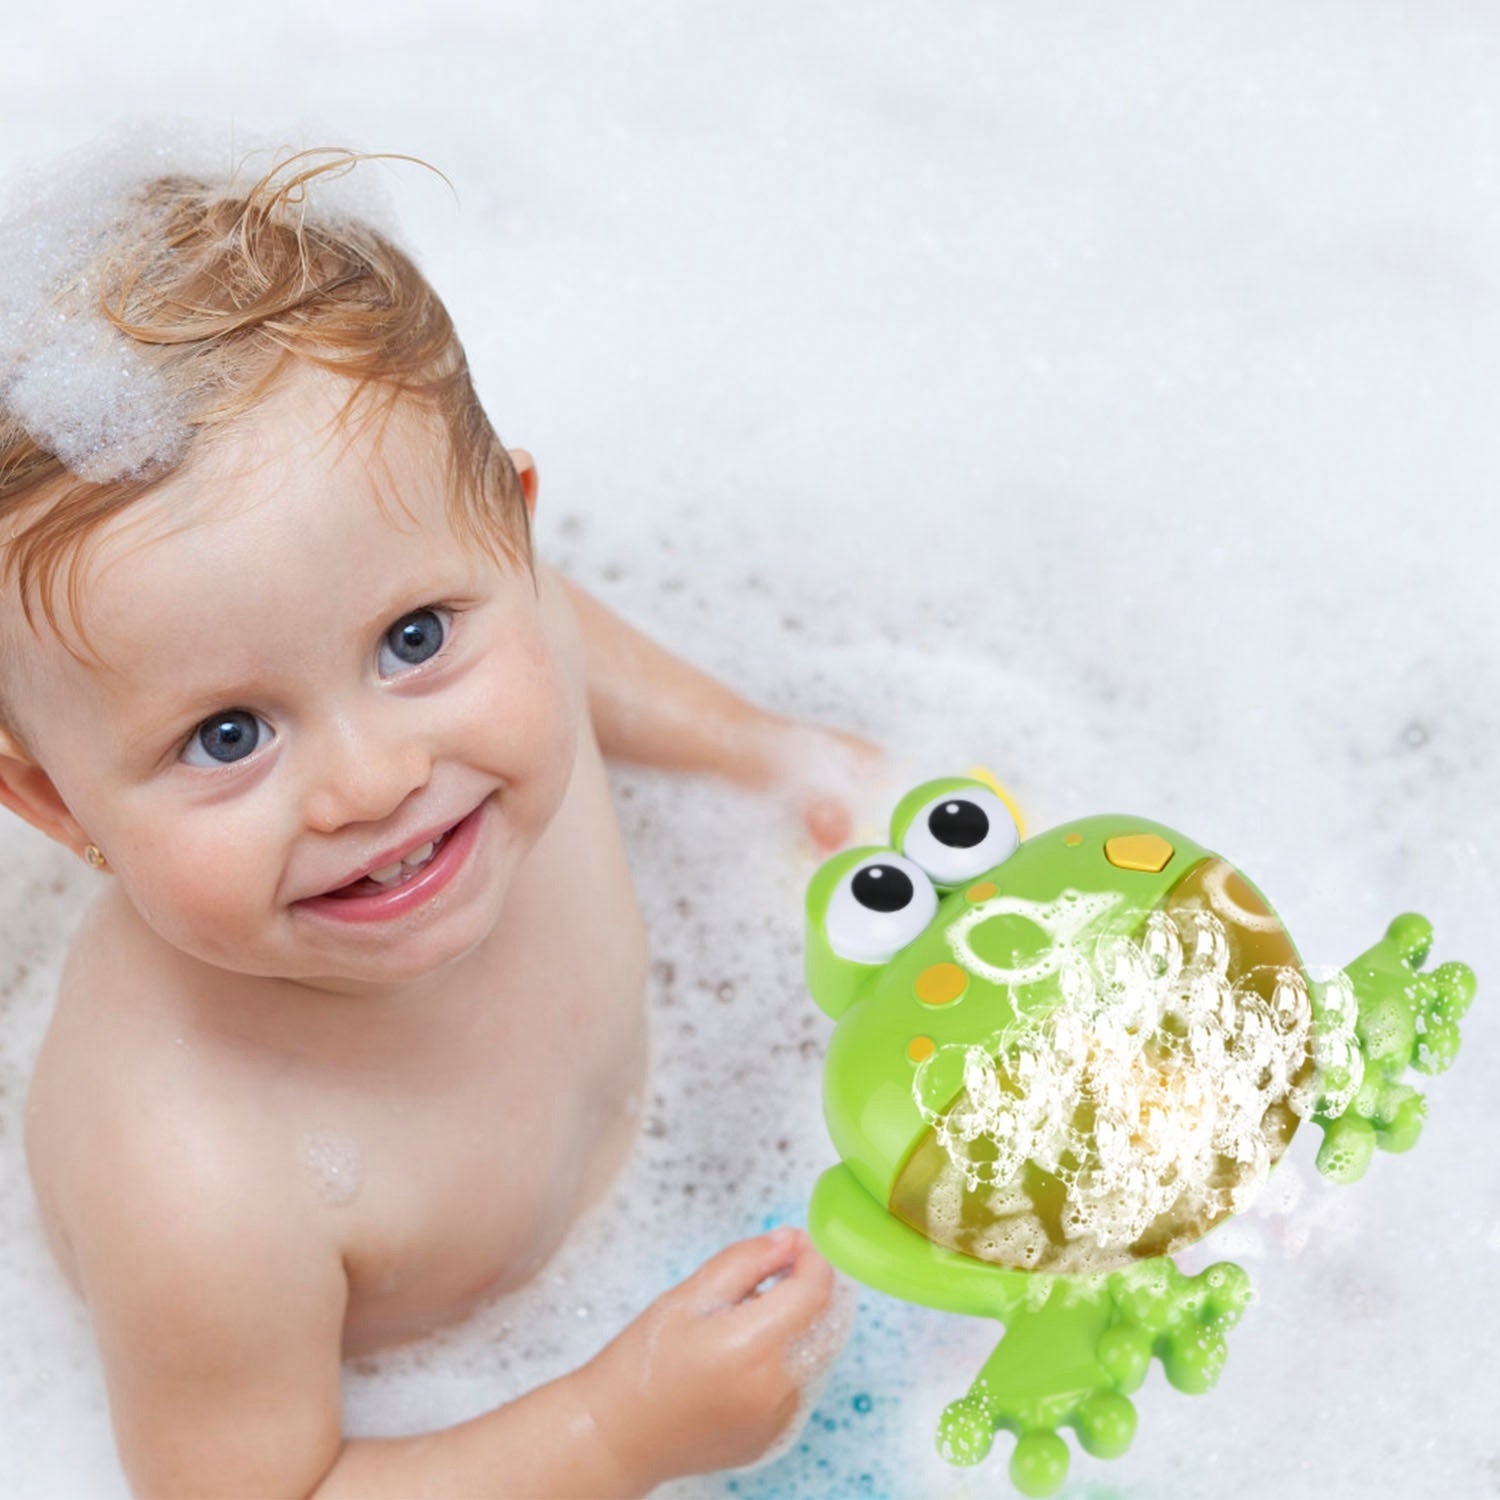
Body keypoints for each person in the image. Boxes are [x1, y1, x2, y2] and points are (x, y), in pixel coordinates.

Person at [0, 147, 870, 1497]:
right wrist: (611, 1432)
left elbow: (572, 640)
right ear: (56, 804)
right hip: (502, 1390)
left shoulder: (504, 656)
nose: (373, 780)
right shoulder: (197, 1176)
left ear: (513, 548)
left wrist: (765, 754)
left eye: (410, 637)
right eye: (228, 735)